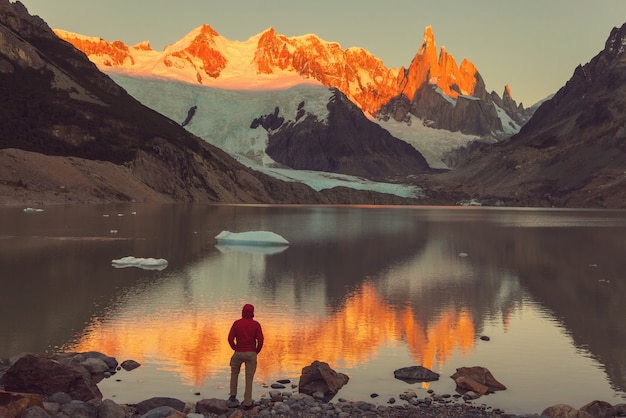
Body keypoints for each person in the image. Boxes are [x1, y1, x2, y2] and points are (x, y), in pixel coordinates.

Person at [227, 303, 264, 409]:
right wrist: (256, 351)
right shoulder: (256, 324)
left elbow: (230, 339)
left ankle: (233, 396)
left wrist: (235, 348)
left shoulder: (236, 323)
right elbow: (260, 340)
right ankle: (247, 402)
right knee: (249, 377)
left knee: (234, 373)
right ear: (252, 312)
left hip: (238, 352)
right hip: (251, 353)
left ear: (242, 312)